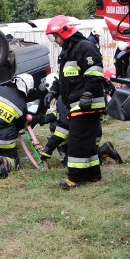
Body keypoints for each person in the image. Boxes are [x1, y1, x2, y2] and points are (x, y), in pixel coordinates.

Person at [45, 15, 106, 190]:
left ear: (65, 33)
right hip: (77, 103)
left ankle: (75, 177)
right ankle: (94, 174)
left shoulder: (85, 47)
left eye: (56, 36)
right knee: (86, 140)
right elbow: (64, 77)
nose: (55, 41)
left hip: (87, 103)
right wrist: (53, 92)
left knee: (77, 140)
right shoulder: (67, 52)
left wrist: (87, 94)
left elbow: (95, 73)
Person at [36, 73, 122, 166]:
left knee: (72, 162)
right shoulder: (74, 92)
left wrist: (49, 148)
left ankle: (103, 150)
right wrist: (37, 119)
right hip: (93, 130)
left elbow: (64, 126)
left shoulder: (63, 99)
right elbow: (56, 115)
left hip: (87, 134)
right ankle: (89, 153)